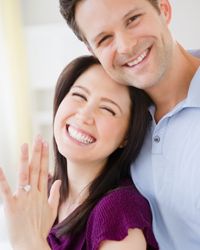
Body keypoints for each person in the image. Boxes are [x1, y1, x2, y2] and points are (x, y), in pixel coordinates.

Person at [58, 0, 200, 249]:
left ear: (164, 9)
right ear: (92, 50)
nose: (126, 46)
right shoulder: (124, 122)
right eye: (104, 38)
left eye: (133, 19)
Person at [0, 55, 158, 250]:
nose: (85, 114)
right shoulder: (44, 193)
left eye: (108, 109)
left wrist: (29, 243)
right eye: (79, 96)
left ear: (127, 136)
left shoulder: (119, 210)